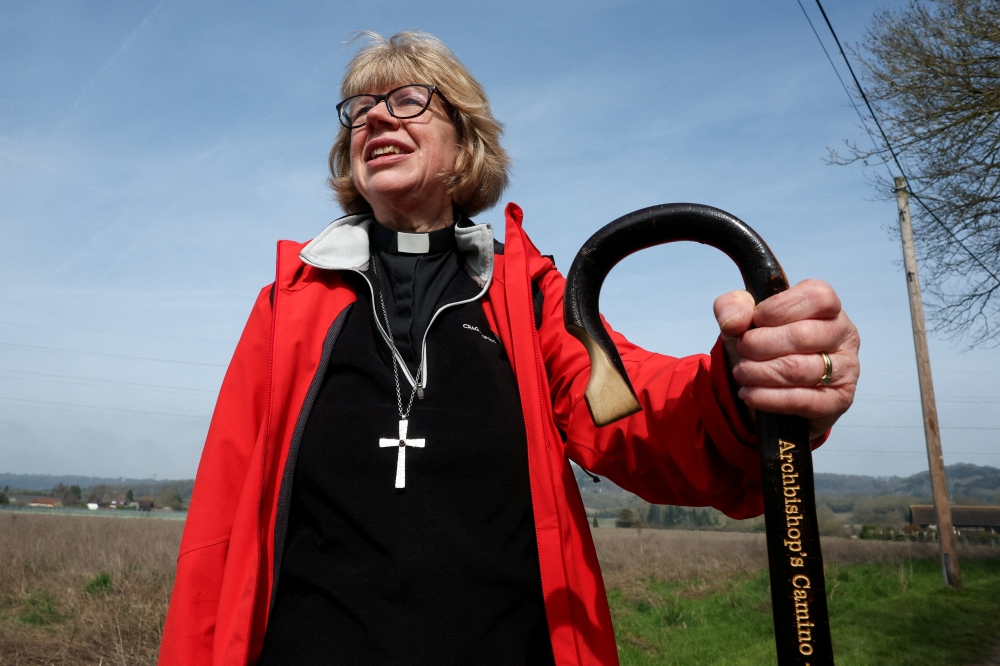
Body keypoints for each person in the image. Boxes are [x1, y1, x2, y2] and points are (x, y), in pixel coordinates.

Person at [158, 31, 860, 666]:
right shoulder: (289, 301)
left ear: (465, 144)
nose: (375, 117)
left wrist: (744, 387)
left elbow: (630, 412)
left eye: (408, 101)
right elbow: (221, 526)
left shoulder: (527, 297)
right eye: (359, 109)